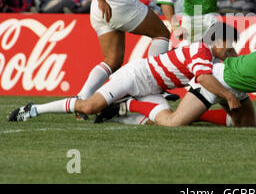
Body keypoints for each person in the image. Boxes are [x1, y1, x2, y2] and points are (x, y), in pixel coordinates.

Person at [8, 23, 242, 127]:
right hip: (135, 76)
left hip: (152, 88)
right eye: (229, 46)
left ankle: (126, 106)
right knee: (89, 107)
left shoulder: (205, 55)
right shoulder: (202, 52)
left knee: (169, 122)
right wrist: (229, 97)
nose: (231, 51)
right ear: (217, 40)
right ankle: (35, 109)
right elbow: (203, 79)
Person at [126, 38, 256, 126]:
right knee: (173, 123)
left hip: (238, 87)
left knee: (245, 126)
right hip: (218, 82)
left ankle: (198, 115)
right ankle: (129, 105)